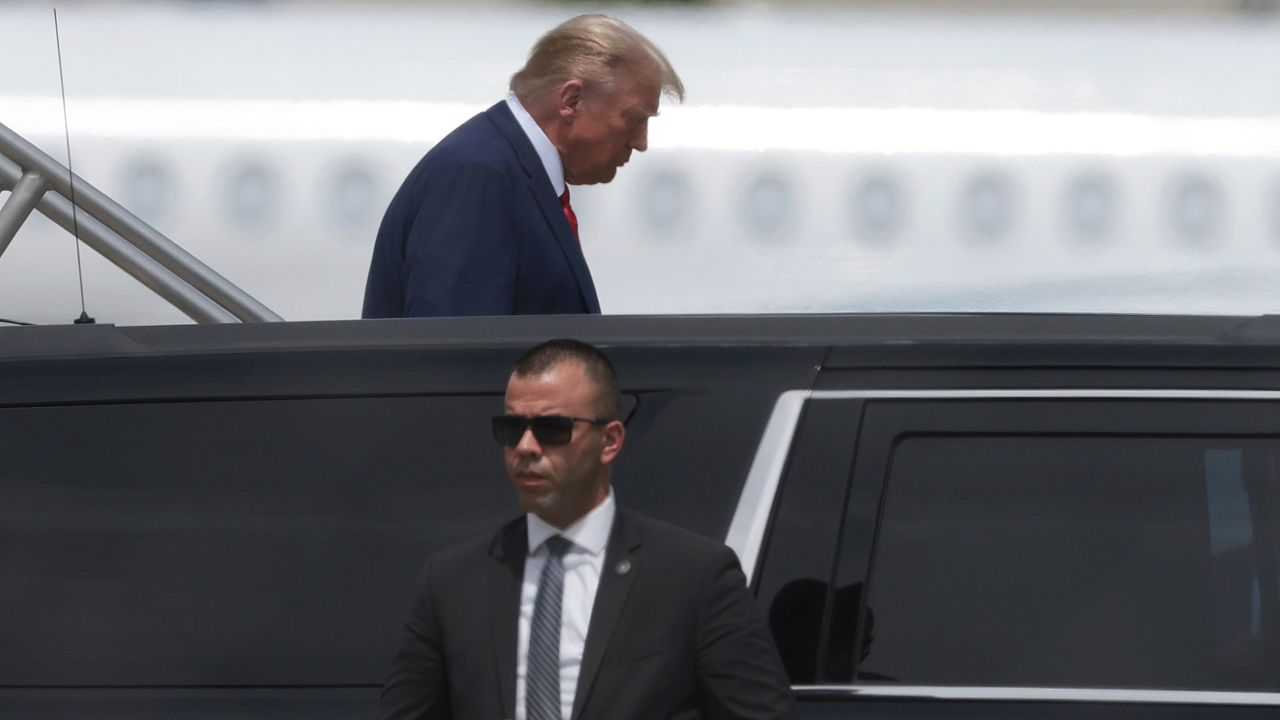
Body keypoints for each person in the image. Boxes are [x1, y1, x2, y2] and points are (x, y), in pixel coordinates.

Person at [379, 339, 797, 720]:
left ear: (610, 440)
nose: (526, 447)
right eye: (511, 429)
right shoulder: (453, 580)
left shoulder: (694, 576)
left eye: (551, 429)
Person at [362, 16, 684, 318]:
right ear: (571, 101)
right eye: (634, 119)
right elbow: (454, 361)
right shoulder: (478, 175)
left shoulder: (510, 172)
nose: (641, 142)